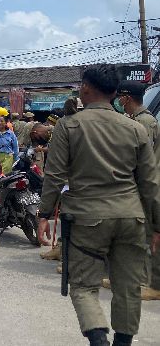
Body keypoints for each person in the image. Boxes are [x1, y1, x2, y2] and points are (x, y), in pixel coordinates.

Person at [37, 64, 159, 345]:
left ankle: (98, 338)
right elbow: (150, 184)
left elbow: (54, 176)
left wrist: (44, 214)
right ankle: (123, 342)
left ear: (86, 88)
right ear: (116, 93)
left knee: (83, 286)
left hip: (86, 219)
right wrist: (156, 226)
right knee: (128, 288)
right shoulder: (136, 129)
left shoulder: (69, 127)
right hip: (131, 218)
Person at [117, 81, 160, 301]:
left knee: (149, 233)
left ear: (126, 97)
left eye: (120, 97)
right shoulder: (138, 120)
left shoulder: (145, 122)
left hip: (147, 186)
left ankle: (152, 284)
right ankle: (136, 278)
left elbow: (145, 160)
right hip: (139, 185)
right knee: (136, 235)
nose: (119, 101)